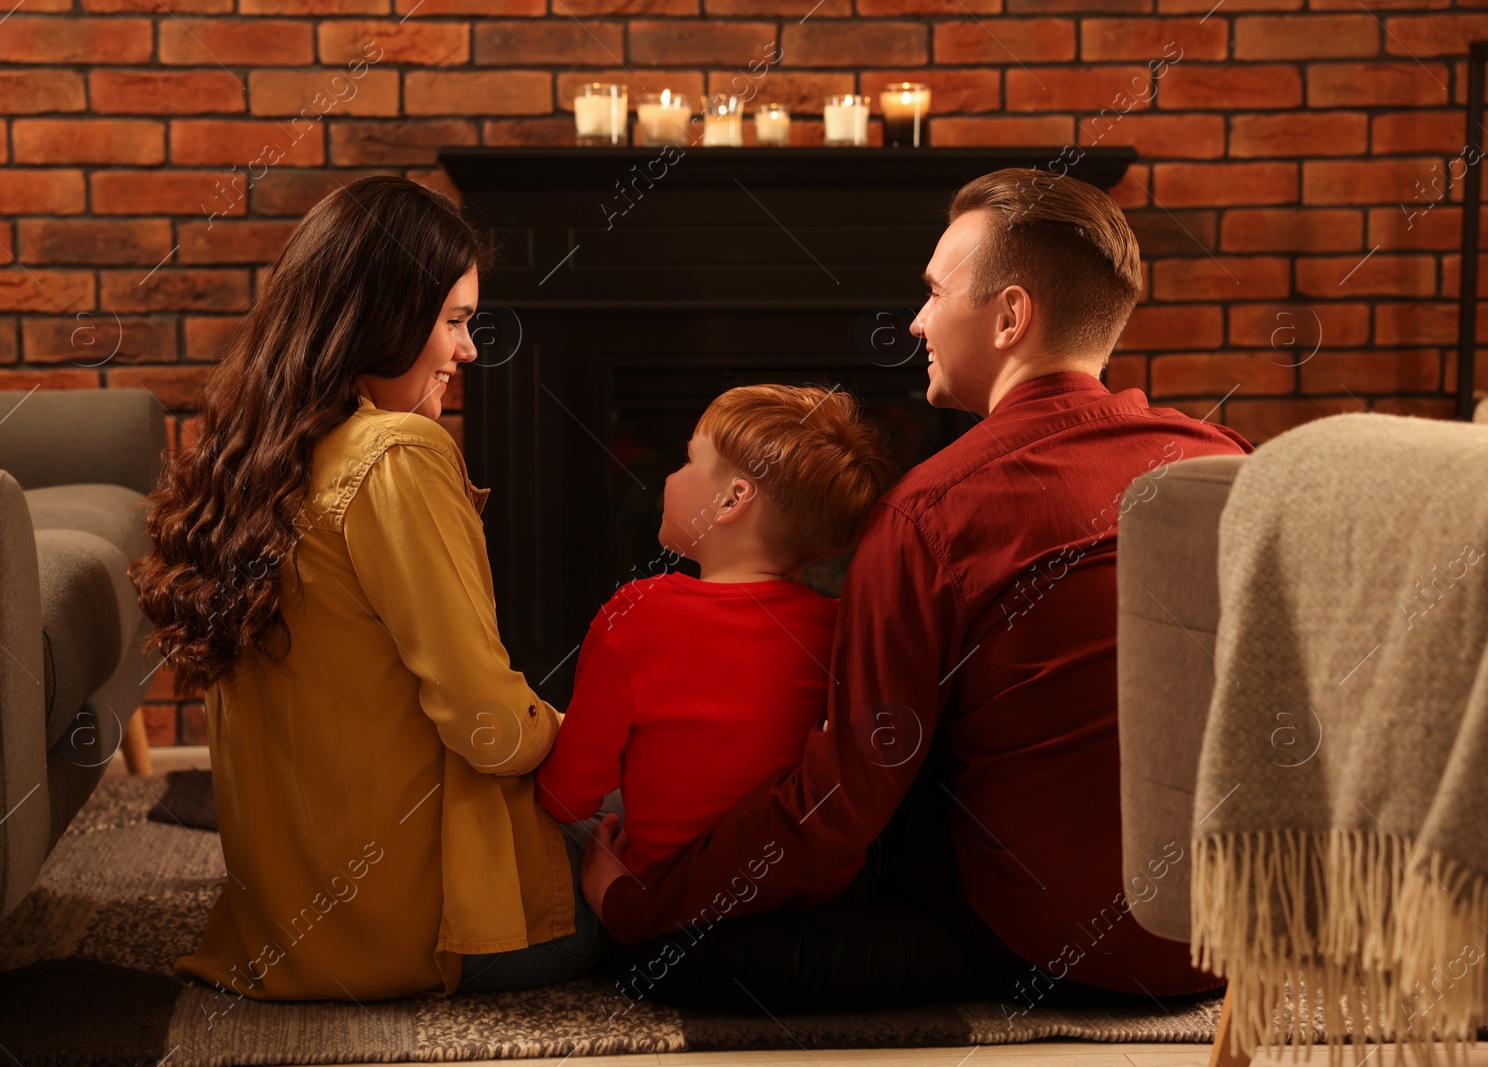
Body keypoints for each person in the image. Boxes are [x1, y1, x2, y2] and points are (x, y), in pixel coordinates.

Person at [578, 167, 1254, 1013]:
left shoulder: (931, 511)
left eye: (935, 292)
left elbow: (844, 799)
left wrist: (646, 901)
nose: (917, 320)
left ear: (1010, 316)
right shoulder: (1231, 462)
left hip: (1042, 948)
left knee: (674, 954)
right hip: (1222, 942)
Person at [129, 176, 605, 1007]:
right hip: (427, 927)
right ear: (382, 317)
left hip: (284, 932)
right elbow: (489, 725)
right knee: (671, 830)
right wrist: (585, 739)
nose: (469, 351)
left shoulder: (253, 456)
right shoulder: (397, 454)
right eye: (455, 322)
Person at [535, 385, 894, 905]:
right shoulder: (841, 627)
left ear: (732, 500)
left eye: (687, 460)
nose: (670, 475)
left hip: (667, 892)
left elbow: (565, 797)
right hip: (817, 892)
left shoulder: (636, 615)